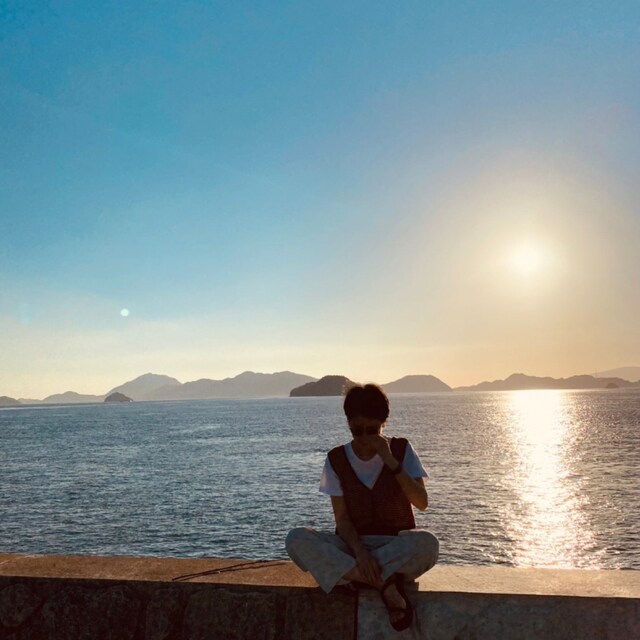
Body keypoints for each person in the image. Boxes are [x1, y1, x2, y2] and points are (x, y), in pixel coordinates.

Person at [286, 383, 439, 632]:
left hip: (393, 544)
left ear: (383, 423)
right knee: (296, 539)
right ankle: (385, 584)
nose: (365, 438)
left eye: (372, 430)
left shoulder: (401, 450)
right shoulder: (336, 459)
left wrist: (389, 460)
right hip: (352, 546)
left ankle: (353, 576)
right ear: (348, 424)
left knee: (428, 544)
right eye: (357, 430)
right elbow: (342, 519)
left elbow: (421, 502)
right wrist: (361, 554)